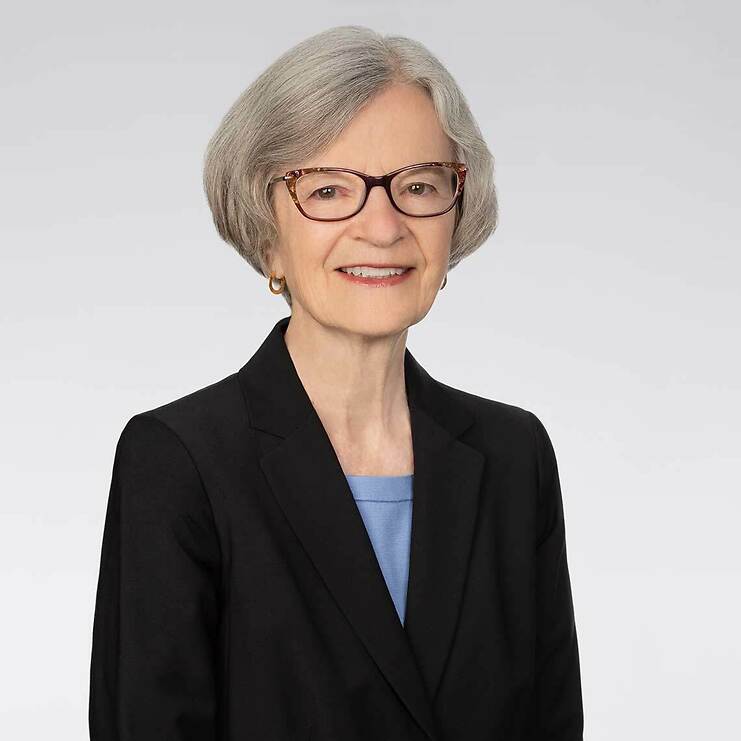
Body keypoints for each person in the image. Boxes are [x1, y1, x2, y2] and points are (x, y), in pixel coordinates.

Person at [88, 24, 584, 741]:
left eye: (418, 185)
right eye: (328, 189)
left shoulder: (515, 457)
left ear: (456, 215)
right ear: (266, 233)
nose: (382, 227)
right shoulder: (179, 462)